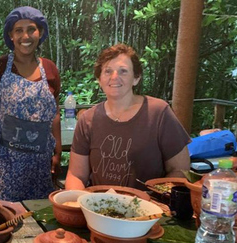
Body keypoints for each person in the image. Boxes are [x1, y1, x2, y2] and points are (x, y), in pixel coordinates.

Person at [66, 44, 190, 190]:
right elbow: (76, 174)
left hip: (149, 207)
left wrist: (154, 199)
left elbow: (180, 170)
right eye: (108, 71)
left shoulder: (158, 113)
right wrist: (75, 202)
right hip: (98, 206)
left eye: (123, 71)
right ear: (99, 79)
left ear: (136, 78)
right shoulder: (88, 119)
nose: (114, 77)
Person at [0, 6, 62, 201]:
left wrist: (58, 150)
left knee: (36, 219)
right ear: (11, 36)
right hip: (3, 165)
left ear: (40, 33)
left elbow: (55, 113)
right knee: (1, 218)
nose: (25, 36)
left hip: (39, 166)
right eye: (18, 30)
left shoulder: (50, 69)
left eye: (31, 29)